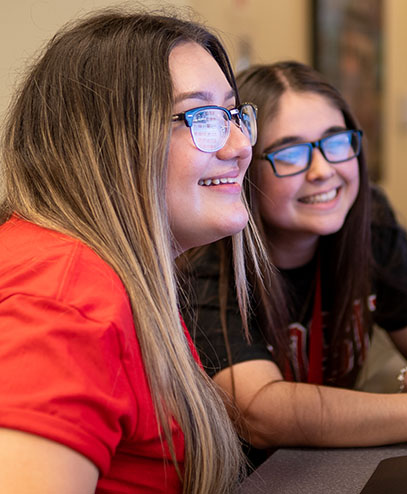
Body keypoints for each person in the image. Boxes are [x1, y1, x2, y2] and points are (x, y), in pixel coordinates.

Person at [184, 61, 407, 463]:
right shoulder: (209, 256)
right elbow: (261, 413)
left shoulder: (367, 219)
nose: (323, 171)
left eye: (337, 143)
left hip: (334, 464)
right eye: (290, 154)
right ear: (245, 167)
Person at [0, 9, 262, 493]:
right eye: (202, 117)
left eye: (233, 115)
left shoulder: (120, 273)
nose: (239, 145)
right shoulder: (65, 298)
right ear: (103, 144)